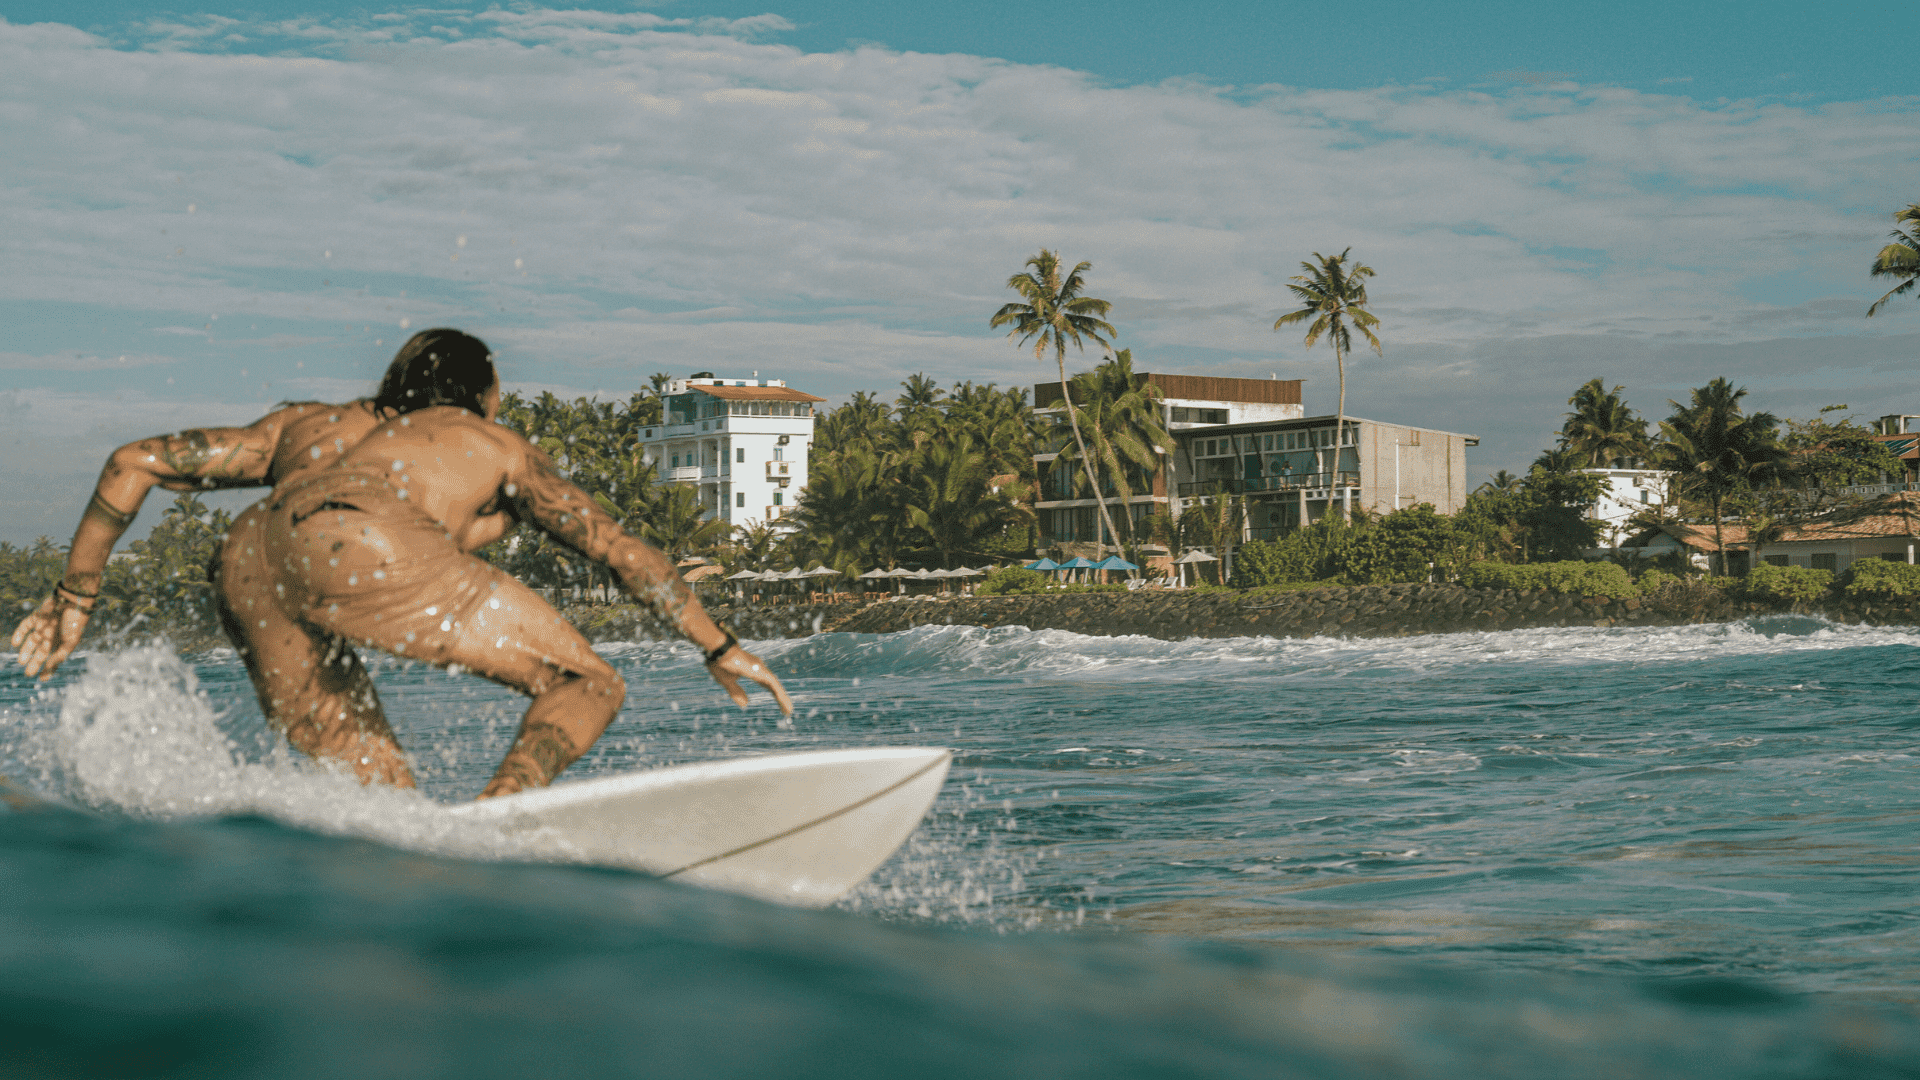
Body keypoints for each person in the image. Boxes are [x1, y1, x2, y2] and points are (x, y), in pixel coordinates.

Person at [11, 329, 790, 798]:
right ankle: (503, 820)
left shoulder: (304, 428)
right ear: (478, 396)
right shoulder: (477, 440)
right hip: (366, 543)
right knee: (588, 680)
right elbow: (617, 550)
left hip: (248, 559)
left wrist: (75, 598)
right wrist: (717, 644)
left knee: (380, 798)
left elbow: (132, 462)